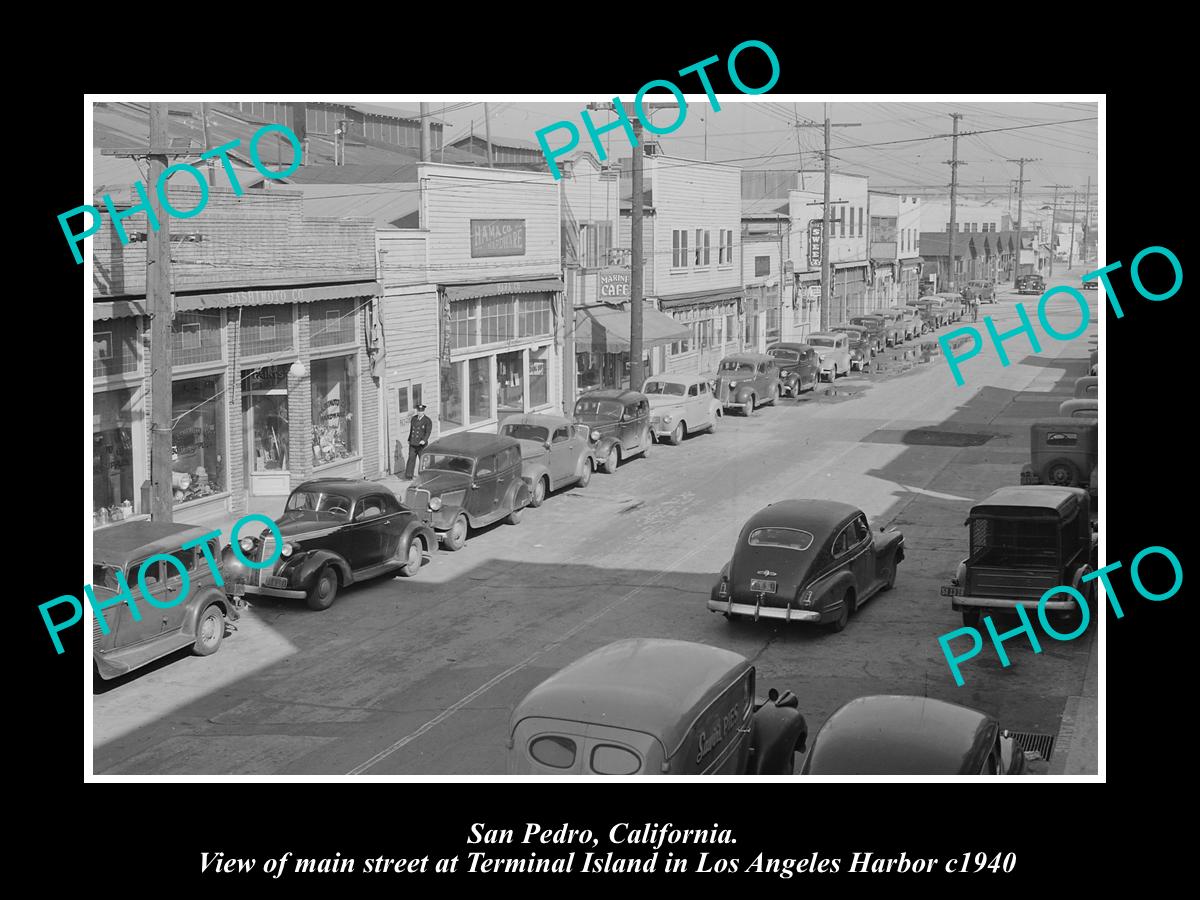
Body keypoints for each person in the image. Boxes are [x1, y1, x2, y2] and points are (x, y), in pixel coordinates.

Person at [405, 404, 432, 479]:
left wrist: (424, 440)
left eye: (421, 411)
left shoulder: (427, 420)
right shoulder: (414, 418)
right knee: (411, 458)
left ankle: (424, 476)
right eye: (418, 411)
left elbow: (428, 432)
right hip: (413, 443)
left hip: (421, 444)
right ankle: (409, 475)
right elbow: (412, 430)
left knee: (423, 460)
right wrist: (409, 439)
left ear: (423, 411)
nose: (419, 413)